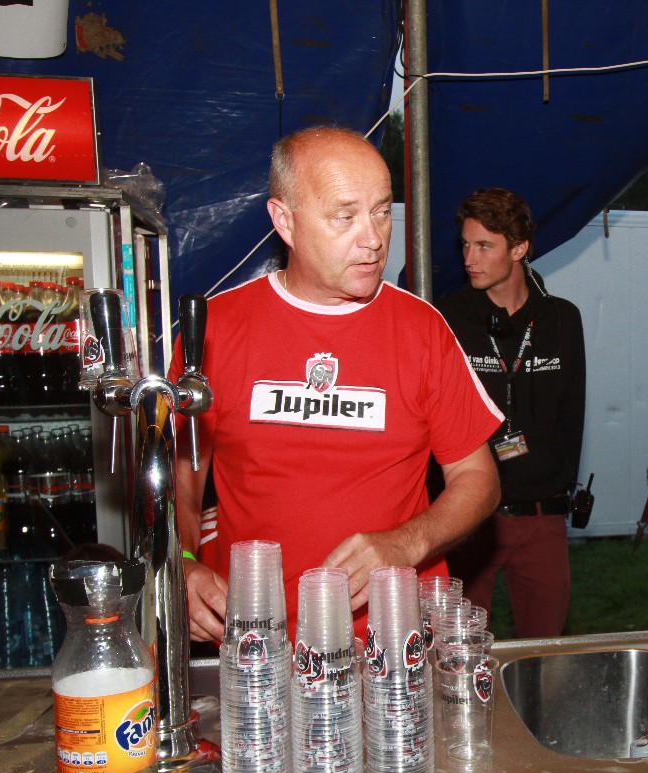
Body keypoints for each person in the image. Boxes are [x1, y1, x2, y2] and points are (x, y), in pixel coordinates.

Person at [175, 127, 503, 643]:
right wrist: (182, 563)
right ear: (284, 220)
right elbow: (178, 483)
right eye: (345, 217)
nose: (373, 238)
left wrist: (406, 543)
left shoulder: (422, 329)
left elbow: (478, 478)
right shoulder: (216, 329)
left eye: (381, 211)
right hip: (260, 645)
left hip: (392, 646)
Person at [436, 188, 586, 637]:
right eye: (465, 244)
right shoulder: (448, 318)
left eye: (484, 246)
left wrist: (559, 486)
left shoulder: (561, 319)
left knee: (543, 653)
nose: (469, 258)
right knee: (457, 651)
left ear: (519, 249)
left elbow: (573, 414)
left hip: (541, 517)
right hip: (469, 519)